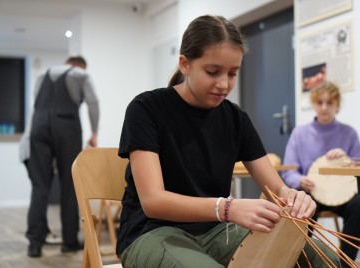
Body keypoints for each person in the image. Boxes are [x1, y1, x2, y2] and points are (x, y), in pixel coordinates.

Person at [117, 15, 340, 267]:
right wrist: (228, 208)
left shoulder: (235, 118)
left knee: (325, 259)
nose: (224, 84)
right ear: (185, 64)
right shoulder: (146, 109)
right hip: (151, 231)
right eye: (212, 72)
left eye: (233, 73)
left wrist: (295, 196)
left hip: (216, 231)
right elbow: (153, 202)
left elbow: (277, 189)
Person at [282, 81, 360, 267]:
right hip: (311, 191)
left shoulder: (349, 133)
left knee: (359, 206)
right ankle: (301, 262)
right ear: (313, 104)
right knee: (303, 208)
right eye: (319, 102)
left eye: (329, 102)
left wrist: (346, 160)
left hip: (341, 193)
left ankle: (343, 264)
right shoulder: (299, 133)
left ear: (337, 105)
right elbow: (289, 171)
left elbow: (359, 169)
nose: (324, 107)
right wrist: (299, 180)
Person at [25, 56, 99, 257]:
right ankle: (69, 241)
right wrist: (94, 132)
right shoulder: (81, 74)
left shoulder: (42, 74)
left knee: (40, 186)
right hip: (66, 127)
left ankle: (35, 244)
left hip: (39, 125)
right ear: (80, 65)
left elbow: (36, 100)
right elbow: (93, 101)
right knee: (69, 183)